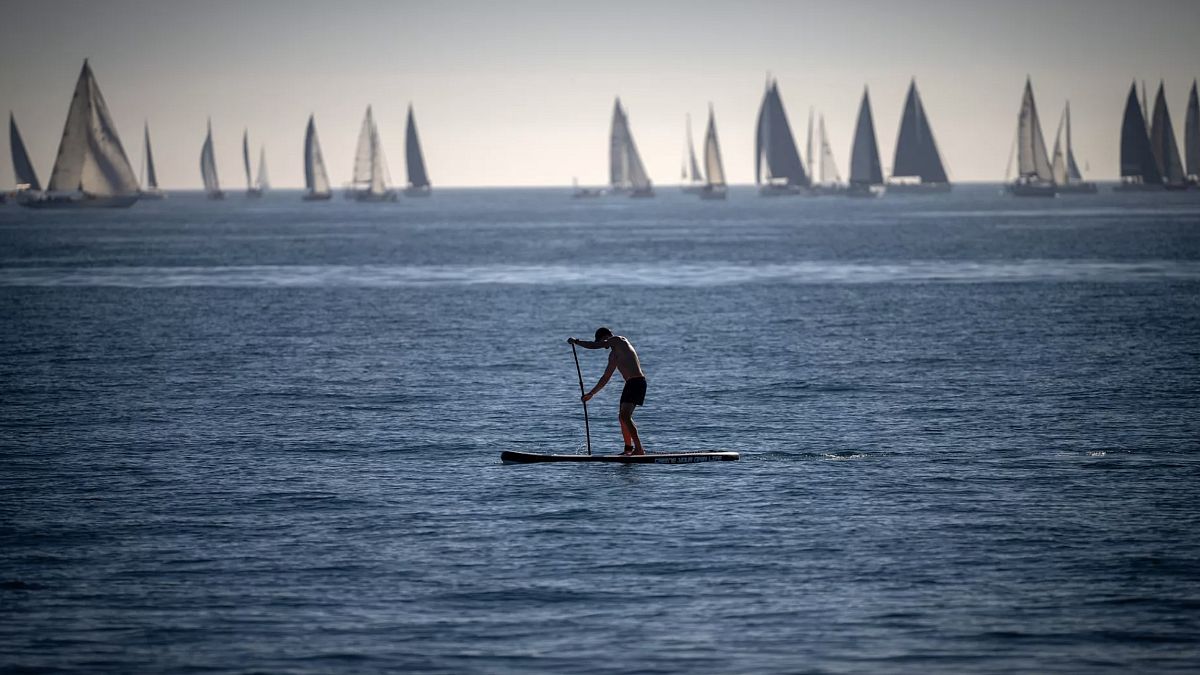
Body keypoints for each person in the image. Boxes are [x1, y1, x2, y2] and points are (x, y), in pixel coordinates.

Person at [567, 327, 648, 456]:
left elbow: (596, 345)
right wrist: (591, 394)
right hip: (630, 384)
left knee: (625, 416)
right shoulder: (613, 355)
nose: (604, 344)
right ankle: (628, 449)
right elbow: (605, 377)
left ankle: (639, 449)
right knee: (622, 417)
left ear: (607, 336)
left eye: (602, 340)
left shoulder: (619, 340)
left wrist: (576, 341)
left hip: (637, 382)